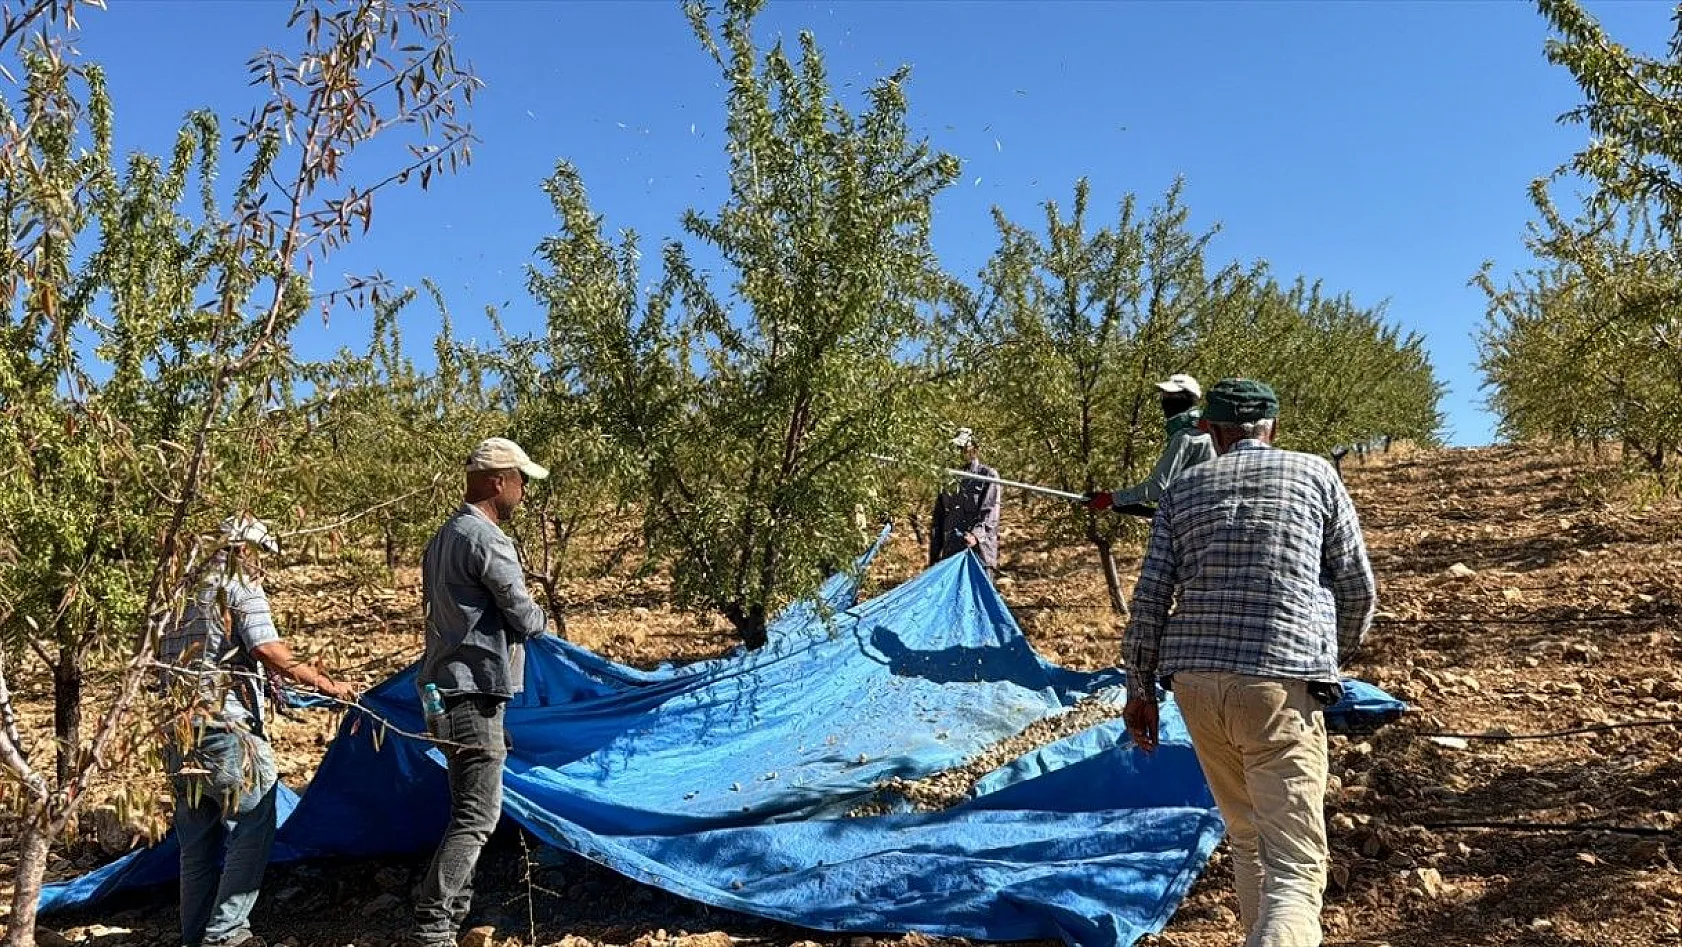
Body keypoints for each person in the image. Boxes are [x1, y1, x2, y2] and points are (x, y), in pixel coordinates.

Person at [1121, 379, 1376, 947]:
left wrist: (1139, 689)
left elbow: (1150, 598)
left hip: (1194, 685)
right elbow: (1357, 588)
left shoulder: (1182, 490)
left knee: (1246, 836)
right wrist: (1328, 653)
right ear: (1273, 428)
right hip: (1278, 681)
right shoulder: (1315, 474)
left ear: (1209, 432)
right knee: (1295, 866)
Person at [158, 515, 357, 947]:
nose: (263, 567)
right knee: (254, 824)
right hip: (226, 730)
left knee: (197, 844)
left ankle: (195, 936)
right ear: (242, 549)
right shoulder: (238, 583)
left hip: (177, 733)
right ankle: (227, 933)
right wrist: (328, 685)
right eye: (261, 555)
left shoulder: (175, 592)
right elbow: (268, 649)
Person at [412, 437, 553, 947]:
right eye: (520, 482)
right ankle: (434, 927)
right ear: (499, 481)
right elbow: (520, 611)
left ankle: (450, 921)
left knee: (465, 810)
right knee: (477, 816)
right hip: (474, 691)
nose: (523, 493)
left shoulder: (443, 537)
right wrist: (542, 625)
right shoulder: (487, 539)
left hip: (444, 691)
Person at [1084, 373, 1215, 517]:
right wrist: (1143, 510)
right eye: (1164, 396)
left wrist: (1112, 499)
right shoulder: (1209, 432)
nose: (1164, 400)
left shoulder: (1185, 437)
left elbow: (1157, 488)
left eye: (1170, 396)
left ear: (1187, 398)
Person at [927, 427, 1001, 575]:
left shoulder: (987, 476)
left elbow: (990, 514)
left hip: (980, 554)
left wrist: (975, 536)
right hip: (952, 553)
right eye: (956, 448)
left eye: (963, 448)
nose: (959, 452)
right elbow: (939, 520)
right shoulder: (948, 477)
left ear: (974, 449)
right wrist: (934, 556)